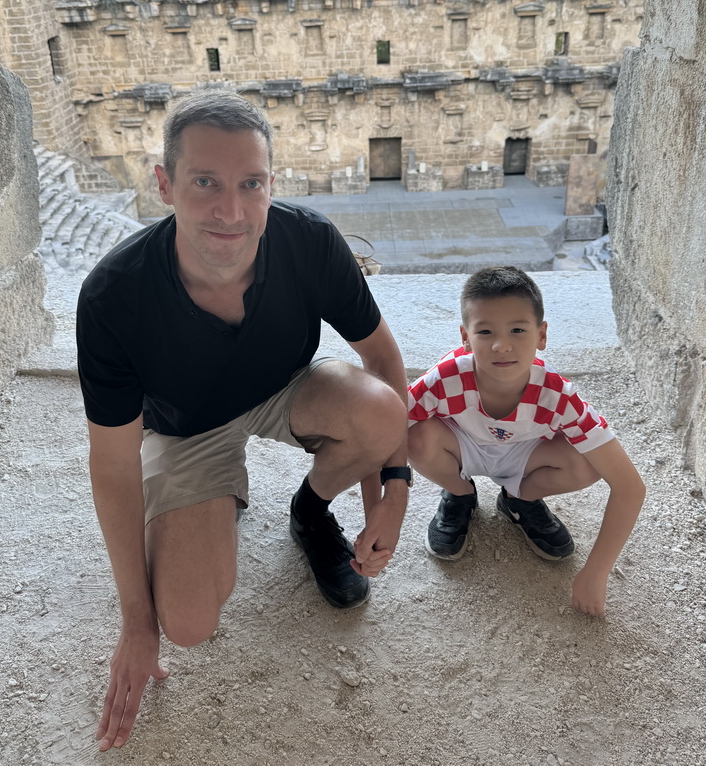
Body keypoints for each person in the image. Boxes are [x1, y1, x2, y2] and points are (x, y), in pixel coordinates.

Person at [76, 91, 409, 751]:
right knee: (190, 621)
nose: (230, 211)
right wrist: (137, 623)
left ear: (270, 185)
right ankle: (206, 501)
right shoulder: (114, 297)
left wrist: (390, 494)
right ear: (164, 184)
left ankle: (310, 511)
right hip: (186, 427)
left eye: (249, 184)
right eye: (205, 183)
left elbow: (382, 358)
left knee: (379, 414)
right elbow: (112, 466)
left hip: (285, 386)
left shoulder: (308, 240)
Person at [407, 265, 645, 617]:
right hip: (460, 446)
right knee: (415, 435)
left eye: (518, 329)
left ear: (541, 335)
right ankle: (460, 493)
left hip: (526, 455)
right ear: (465, 337)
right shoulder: (443, 379)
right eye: (485, 331)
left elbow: (630, 486)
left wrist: (596, 573)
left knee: (587, 464)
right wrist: (388, 492)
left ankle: (519, 498)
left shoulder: (558, 396)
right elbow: (388, 428)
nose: (502, 345)